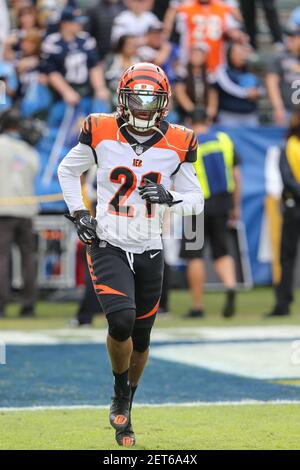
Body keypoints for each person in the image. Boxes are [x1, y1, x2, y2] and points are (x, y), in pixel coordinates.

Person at [58, 62, 203, 446]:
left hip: (151, 245)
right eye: (135, 97)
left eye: (149, 98)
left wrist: (170, 197)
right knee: (120, 320)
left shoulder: (180, 140)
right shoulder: (100, 128)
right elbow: (67, 171)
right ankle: (119, 389)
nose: (142, 105)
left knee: (141, 337)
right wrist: (79, 213)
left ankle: (127, 399)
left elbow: (196, 200)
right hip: (109, 240)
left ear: (163, 102)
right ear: (122, 98)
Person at [180, 107, 240, 318]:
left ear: (189, 121)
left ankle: (197, 306)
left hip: (196, 205)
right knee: (222, 251)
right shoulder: (224, 139)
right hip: (222, 202)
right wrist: (235, 206)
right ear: (208, 119)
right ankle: (231, 286)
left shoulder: (187, 142)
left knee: (194, 255)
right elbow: (236, 174)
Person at [0, 108, 39, 318]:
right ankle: (29, 304)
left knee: (1, 257)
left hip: (3, 207)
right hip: (26, 208)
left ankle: (1, 304)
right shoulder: (28, 150)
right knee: (27, 258)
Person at [266, 111, 300, 317]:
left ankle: (283, 303)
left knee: (287, 256)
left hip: (293, 205)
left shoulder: (288, 145)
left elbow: (287, 178)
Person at [40, 7, 109, 106]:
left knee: (101, 108)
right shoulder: (52, 42)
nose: (80, 25)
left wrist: (100, 88)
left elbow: (94, 65)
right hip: (61, 94)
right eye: (76, 22)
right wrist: (66, 91)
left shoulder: (86, 39)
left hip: (86, 90)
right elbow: (51, 71)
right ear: (65, 24)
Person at [175, 0, 244, 74]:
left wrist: (236, 33)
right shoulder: (186, 7)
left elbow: (234, 31)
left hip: (216, 64)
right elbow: (178, 31)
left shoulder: (223, 7)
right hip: (192, 63)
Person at [214, 42, 262, 127]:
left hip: (250, 115)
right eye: (237, 53)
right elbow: (228, 87)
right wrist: (247, 93)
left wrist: (258, 93)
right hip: (229, 116)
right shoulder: (223, 71)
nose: (241, 56)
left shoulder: (251, 71)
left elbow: (261, 88)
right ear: (229, 54)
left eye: (243, 53)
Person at [266, 23, 300, 126]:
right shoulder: (280, 58)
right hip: (288, 111)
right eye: (289, 37)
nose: (290, 40)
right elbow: (272, 83)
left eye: (294, 37)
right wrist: (278, 108)